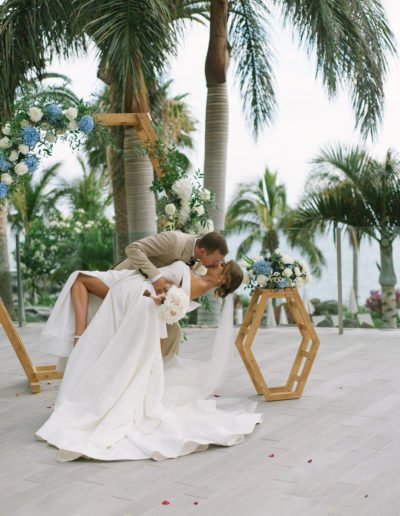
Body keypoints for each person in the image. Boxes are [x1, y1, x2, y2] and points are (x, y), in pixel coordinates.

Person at [36, 259, 262, 462]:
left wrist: (155, 297)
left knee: (124, 359)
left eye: (223, 266)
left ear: (223, 278)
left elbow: (167, 298)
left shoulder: (197, 286)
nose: (218, 263)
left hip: (141, 304)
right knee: (123, 357)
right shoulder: (199, 277)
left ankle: (102, 396)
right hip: (135, 298)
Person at [113, 230, 228, 356]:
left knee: (173, 332)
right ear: (202, 251)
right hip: (125, 278)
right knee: (168, 331)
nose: (218, 265)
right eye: (217, 260)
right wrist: (156, 278)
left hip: (148, 294)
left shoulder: (198, 260)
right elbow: (133, 249)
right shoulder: (175, 241)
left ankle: (161, 370)